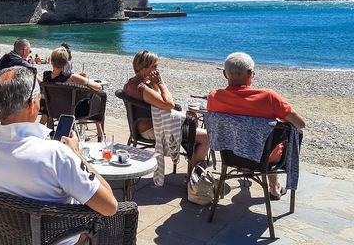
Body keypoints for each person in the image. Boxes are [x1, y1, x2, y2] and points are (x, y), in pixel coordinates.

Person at [0, 66, 118, 245]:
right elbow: (109, 206)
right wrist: (77, 154)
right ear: (31, 105)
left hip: (2, 239)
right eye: (38, 96)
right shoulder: (56, 155)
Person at [207, 52, 306, 200]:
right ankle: (274, 188)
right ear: (250, 73)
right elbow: (300, 123)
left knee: (265, 140)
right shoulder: (268, 97)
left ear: (224, 74)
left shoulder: (214, 96)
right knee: (281, 138)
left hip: (231, 155)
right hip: (263, 158)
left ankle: (272, 186)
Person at [123, 50, 209, 166]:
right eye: (154, 66)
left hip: (139, 127)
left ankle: (192, 153)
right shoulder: (142, 88)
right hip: (151, 131)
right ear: (144, 68)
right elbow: (169, 104)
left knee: (191, 115)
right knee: (206, 137)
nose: (157, 69)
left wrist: (154, 83)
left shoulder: (130, 83)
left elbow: (155, 97)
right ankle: (195, 169)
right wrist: (161, 82)